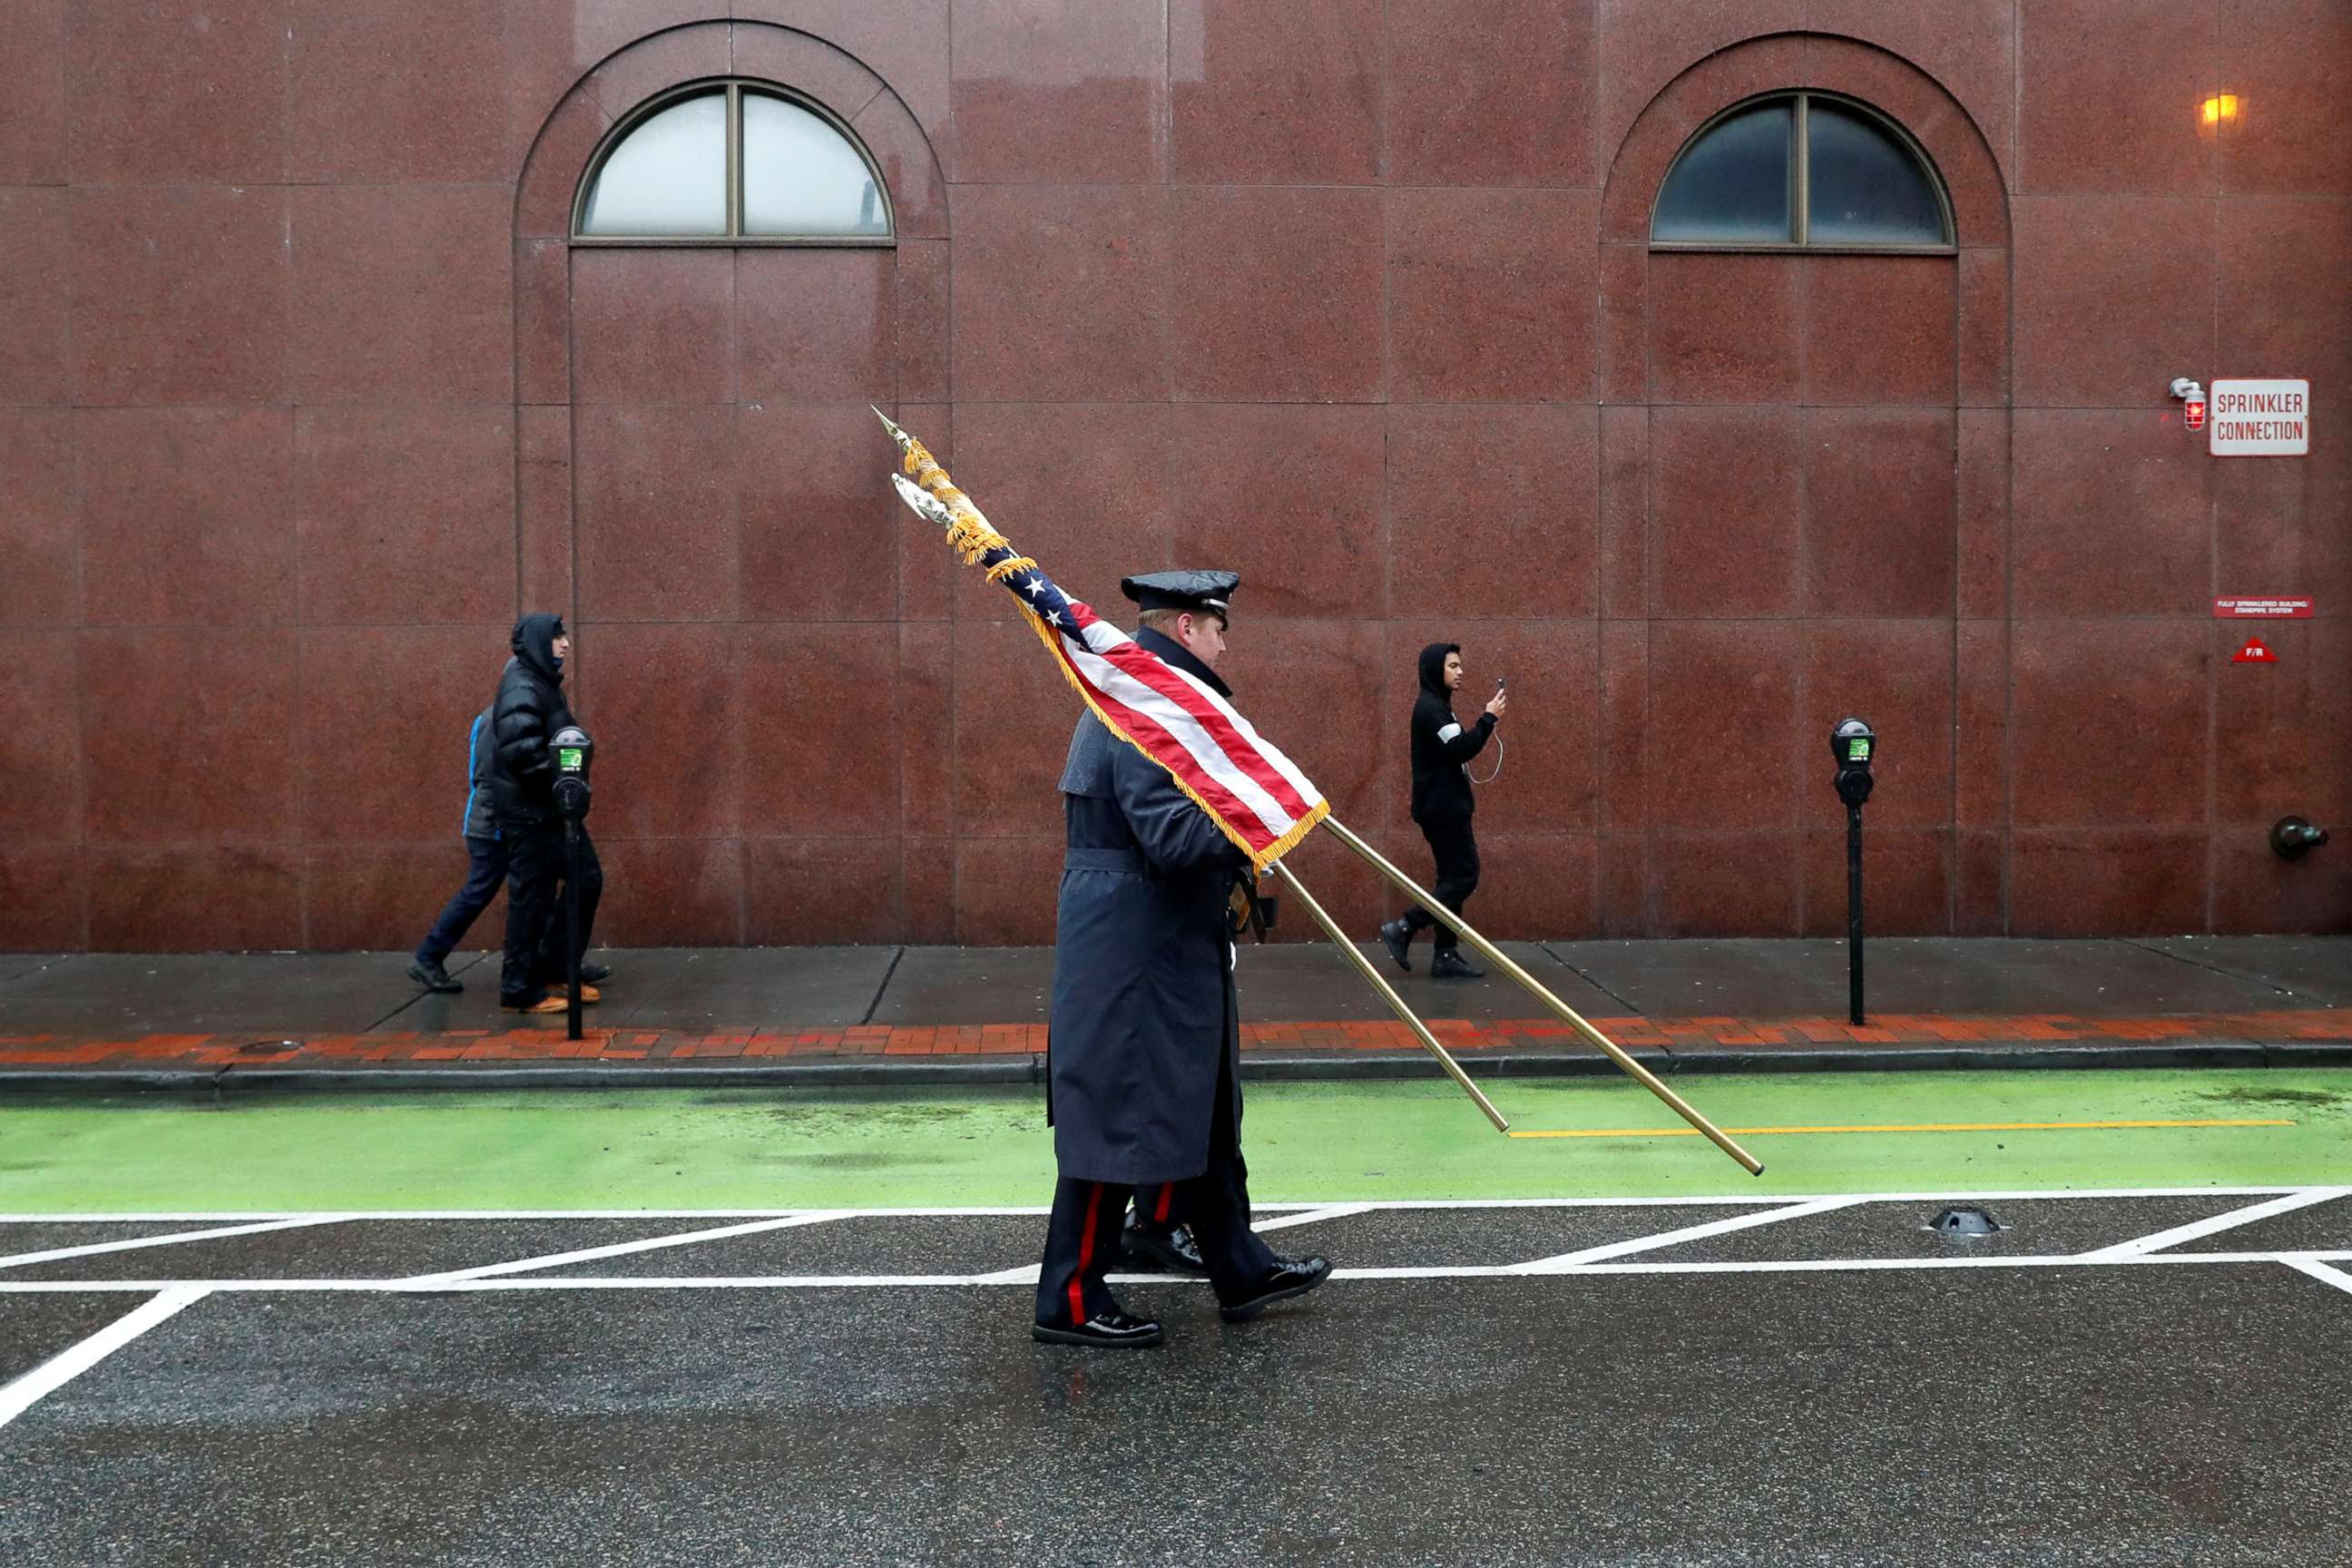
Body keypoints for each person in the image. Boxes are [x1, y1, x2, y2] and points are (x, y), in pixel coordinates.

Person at [1033, 570, 1329, 1348]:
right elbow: (1170, 836)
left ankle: (1238, 1265)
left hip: (1158, 937)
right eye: (1218, 625)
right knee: (1116, 1112)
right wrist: (1261, 823)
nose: (1226, 640)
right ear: (1185, 627)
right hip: (1135, 944)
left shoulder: (1157, 701)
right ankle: (1068, 1298)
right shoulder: (1143, 710)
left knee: (1196, 1102)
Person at [487, 612, 607, 1015]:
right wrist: (560, 779)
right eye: (558, 637)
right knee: (531, 897)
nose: (566, 643)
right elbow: (521, 751)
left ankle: (556, 967)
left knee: (585, 879)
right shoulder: (523, 685)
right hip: (531, 811)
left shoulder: (542, 683)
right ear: (540, 641)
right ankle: (519, 988)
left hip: (553, 809)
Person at [1378, 642, 1504, 979]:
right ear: (1436, 669)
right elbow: (1460, 748)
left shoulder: (1438, 707)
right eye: (1453, 666)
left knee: (1451, 879)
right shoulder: (1431, 709)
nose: (1460, 671)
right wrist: (1488, 718)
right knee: (1464, 875)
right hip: (1443, 810)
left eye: (1460, 665)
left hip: (1444, 808)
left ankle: (1445, 954)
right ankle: (1405, 927)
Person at [405, 708, 505, 994]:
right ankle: (429, 956)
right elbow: (489, 777)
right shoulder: (495, 718)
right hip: (492, 827)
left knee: (536, 888)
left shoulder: (498, 715)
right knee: (478, 892)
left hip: (494, 823)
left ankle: (561, 961)